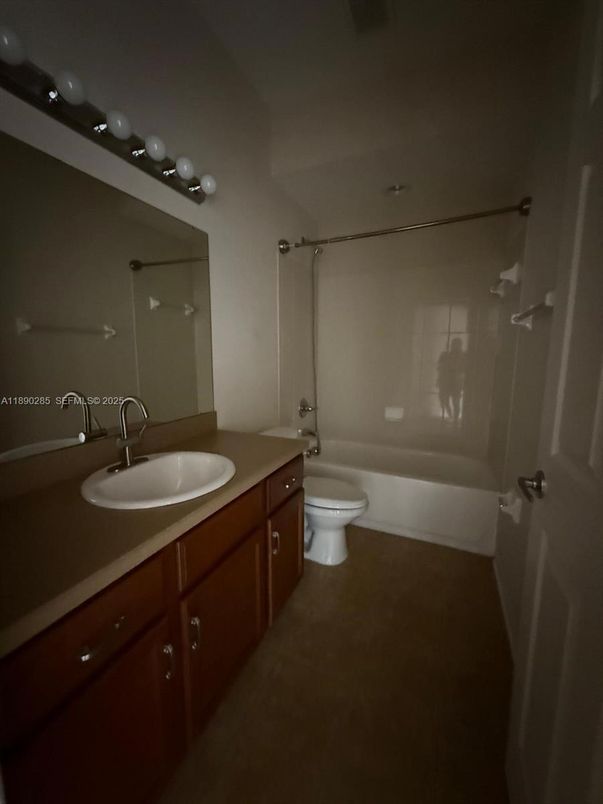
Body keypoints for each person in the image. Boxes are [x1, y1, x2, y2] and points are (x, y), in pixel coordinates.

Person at [436, 337, 465, 423]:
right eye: (454, 344)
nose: (455, 346)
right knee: (444, 400)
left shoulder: (462, 356)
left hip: (455, 382)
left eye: (457, 345)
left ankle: (454, 418)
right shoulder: (445, 355)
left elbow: (464, 369)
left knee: (455, 401)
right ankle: (451, 416)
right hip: (447, 382)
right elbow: (440, 368)